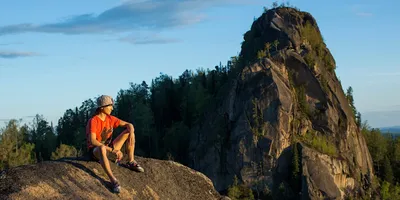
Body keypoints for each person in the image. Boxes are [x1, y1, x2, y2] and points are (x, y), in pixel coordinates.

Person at [86, 95, 144, 193]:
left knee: (129, 131)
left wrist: (131, 129)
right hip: (96, 151)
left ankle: (131, 161)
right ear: (102, 107)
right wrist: (113, 150)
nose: (112, 108)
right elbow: (93, 141)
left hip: (109, 148)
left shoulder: (110, 118)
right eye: (110, 106)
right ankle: (113, 181)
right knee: (102, 148)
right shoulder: (94, 121)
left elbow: (127, 124)